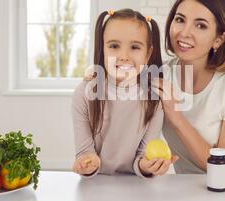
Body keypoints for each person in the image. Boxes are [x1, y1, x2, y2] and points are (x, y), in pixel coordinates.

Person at [152, 0, 225, 174]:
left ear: (219, 39)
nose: (184, 33)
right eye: (180, 20)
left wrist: (175, 115)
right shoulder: (160, 74)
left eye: (200, 25)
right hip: (184, 190)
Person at [72, 9, 178, 178]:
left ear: (148, 54)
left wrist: (147, 165)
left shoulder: (154, 99)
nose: (124, 56)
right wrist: (87, 162)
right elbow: (84, 152)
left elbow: (143, 156)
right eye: (114, 46)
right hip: (95, 187)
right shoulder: (84, 94)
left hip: (137, 189)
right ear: (103, 48)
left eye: (135, 47)